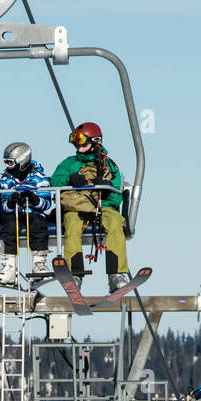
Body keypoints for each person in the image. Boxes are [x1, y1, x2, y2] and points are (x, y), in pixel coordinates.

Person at [50, 121, 129, 292]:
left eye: (83, 143)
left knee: (115, 222)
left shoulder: (109, 165)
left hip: (103, 206)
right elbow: (55, 181)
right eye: (76, 143)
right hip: (77, 206)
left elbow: (116, 197)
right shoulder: (69, 163)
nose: (78, 147)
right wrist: (70, 179)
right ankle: (75, 274)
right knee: (71, 223)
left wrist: (106, 188)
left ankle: (116, 274)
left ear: (96, 142)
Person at [0, 141, 52, 285]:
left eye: (10, 162)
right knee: (8, 228)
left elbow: (46, 204)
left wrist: (34, 199)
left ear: (22, 160)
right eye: (6, 162)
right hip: (14, 213)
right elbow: (3, 206)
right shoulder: (6, 178)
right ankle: (8, 267)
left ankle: (39, 264)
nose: (8, 166)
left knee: (38, 225)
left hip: (33, 212)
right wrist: (10, 202)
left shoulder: (39, 177)